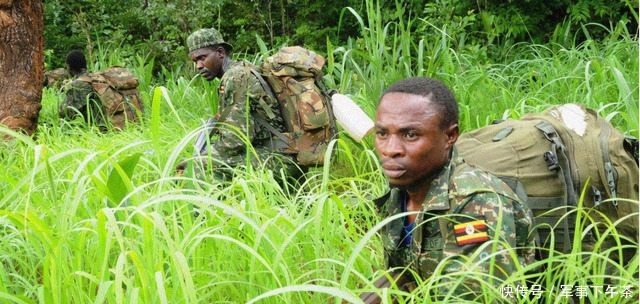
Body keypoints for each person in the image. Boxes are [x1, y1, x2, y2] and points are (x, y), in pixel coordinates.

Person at [371, 77, 536, 299]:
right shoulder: (400, 193)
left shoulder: (477, 203)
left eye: (410, 135)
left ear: (450, 136)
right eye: (382, 134)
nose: (390, 150)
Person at [182, 28, 303, 182]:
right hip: (282, 151)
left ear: (220, 52)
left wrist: (200, 160)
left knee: (196, 173)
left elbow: (236, 139)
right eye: (195, 61)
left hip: (278, 158)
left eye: (202, 58)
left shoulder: (236, 78)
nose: (198, 66)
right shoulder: (243, 69)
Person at [58, 50, 103, 126]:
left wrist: (67, 90)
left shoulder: (77, 85)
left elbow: (65, 113)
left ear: (69, 67)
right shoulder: (94, 78)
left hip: (99, 129)